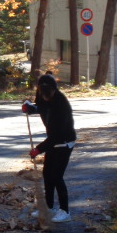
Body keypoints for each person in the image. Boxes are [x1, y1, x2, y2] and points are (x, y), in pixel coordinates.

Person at [22, 73, 76, 223]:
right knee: (47, 174)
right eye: (43, 94)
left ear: (54, 90)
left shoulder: (61, 104)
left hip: (64, 142)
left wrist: (38, 149)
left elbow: (56, 136)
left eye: (48, 94)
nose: (45, 97)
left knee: (57, 176)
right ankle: (49, 207)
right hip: (53, 141)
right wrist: (30, 108)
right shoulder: (43, 97)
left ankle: (65, 211)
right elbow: (41, 107)